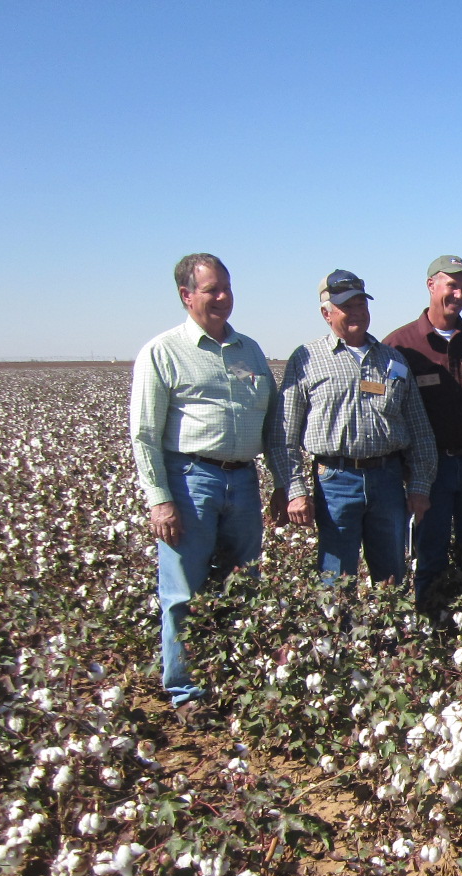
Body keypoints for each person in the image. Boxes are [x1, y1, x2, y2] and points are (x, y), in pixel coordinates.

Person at [130, 253, 279, 708]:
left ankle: (235, 676)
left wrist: (280, 483)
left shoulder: (249, 350)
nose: (222, 297)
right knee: (182, 589)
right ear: (186, 296)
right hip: (190, 479)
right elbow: (144, 433)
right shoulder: (163, 351)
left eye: (226, 288)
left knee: (243, 580)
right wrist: (159, 499)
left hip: (243, 479)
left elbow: (271, 425)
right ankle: (185, 689)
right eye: (211, 289)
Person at [268, 271, 436, 585]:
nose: (357, 312)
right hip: (335, 480)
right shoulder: (306, 359)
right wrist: (295, 492)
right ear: (326, 313)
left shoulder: (392, 360)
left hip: (387, 479)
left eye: (361, 304)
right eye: (347, 306)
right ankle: (337, 634)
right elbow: (283, 435)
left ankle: (387, 635)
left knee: (391, 578)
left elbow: (420, 430)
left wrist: (420, 487)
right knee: (335, 577)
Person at [383, 255, 462, 612]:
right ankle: (431, 630)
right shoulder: (400, 345)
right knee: (429, 553)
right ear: (431, 285)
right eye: (451, 285)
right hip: (429, 472)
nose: (458, 293)